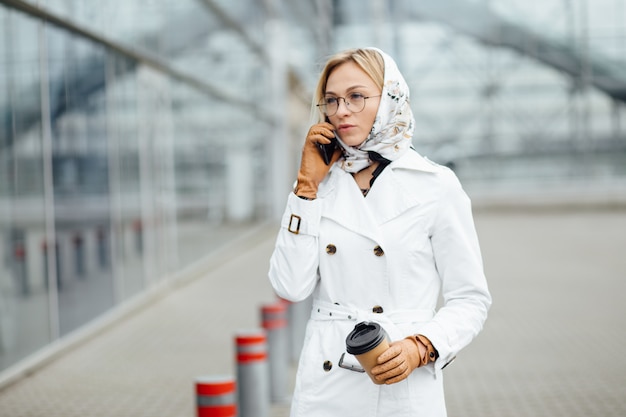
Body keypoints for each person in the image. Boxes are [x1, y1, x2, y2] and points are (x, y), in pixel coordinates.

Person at [268, 47, 491, 417]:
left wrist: (422, 346)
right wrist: (305, 187)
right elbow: (290, 286)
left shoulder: (435, 184)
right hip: (326, 386)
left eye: (356, 97)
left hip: (400, 379)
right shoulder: (316, 186)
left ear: (390, 97)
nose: (341, 111)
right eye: (331, 100)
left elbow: (470, 299)